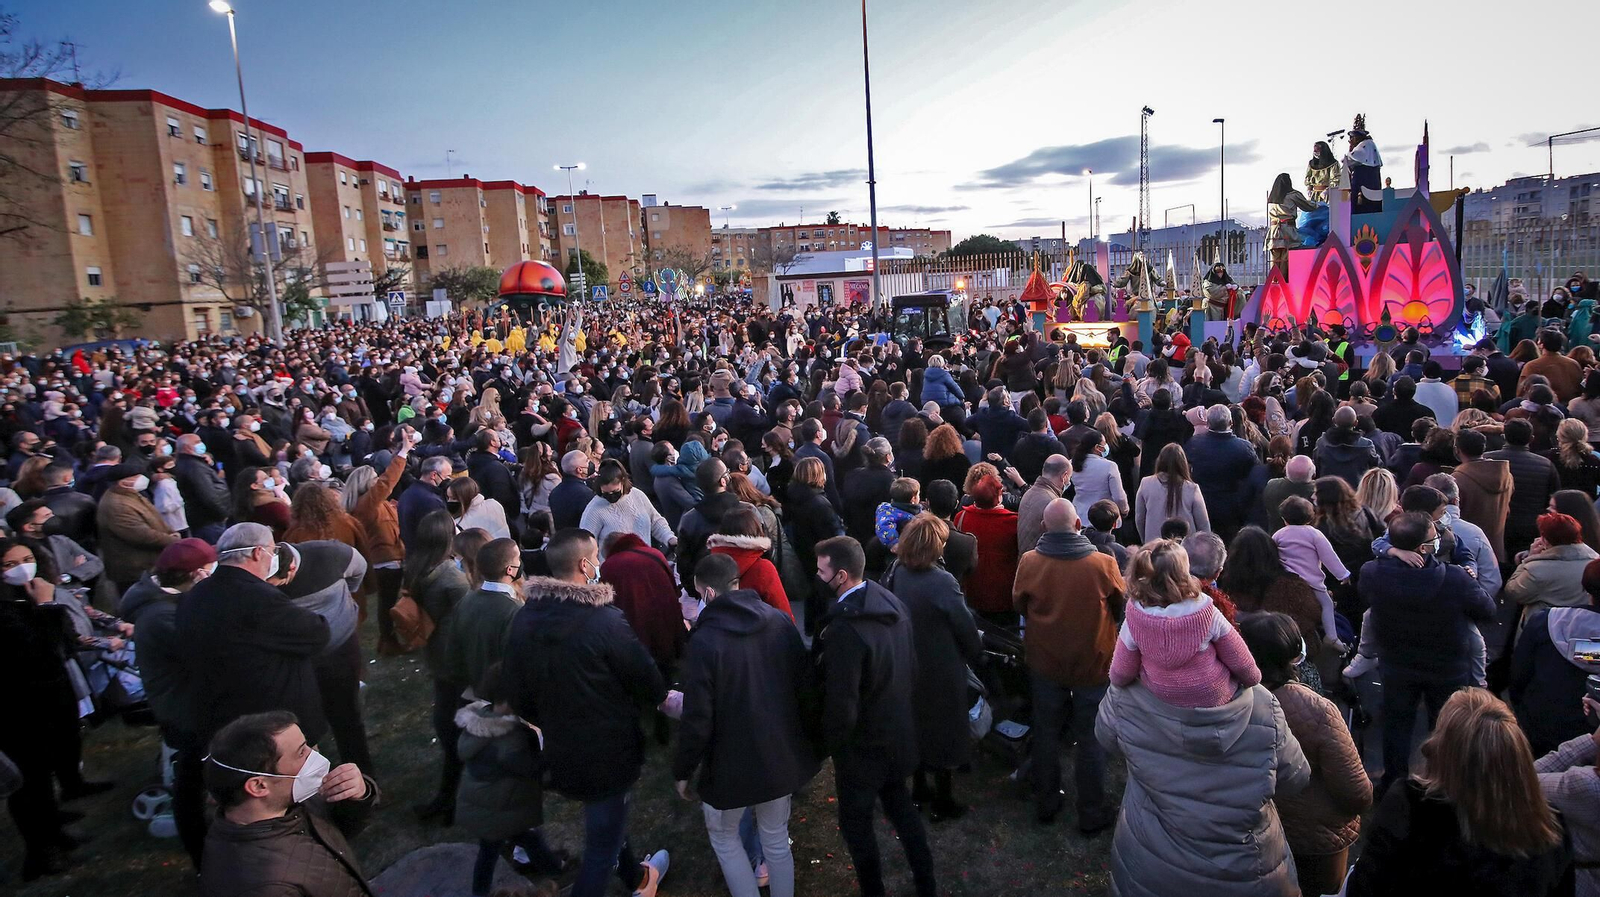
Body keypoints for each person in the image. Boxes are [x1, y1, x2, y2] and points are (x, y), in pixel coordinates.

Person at [503, 529, 671, 897]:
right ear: (584, 564)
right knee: (600, 847)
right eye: (595, 557)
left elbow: (516, 691)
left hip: (561, 746)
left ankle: (637, 878)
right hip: (606, 748)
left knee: (608, 823)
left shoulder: (524, 618)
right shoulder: (604, 621)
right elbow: (648, 681)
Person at [1095, 609, 1310, 896]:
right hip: (1244, 868)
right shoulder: (1262, 704)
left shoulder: (1127, 696)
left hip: (1152, 862)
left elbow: (1105, 737)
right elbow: (1295, 777)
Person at [673, 553, 817, 897]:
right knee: (776, 838)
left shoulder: (704, 642)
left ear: (708, 594)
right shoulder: (779, 623)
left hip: (731, 764)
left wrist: (683, 770)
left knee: (724, 836)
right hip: (778, 755)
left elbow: (697, 718)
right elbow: (804, 689)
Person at [1347, 689, 1570, 896]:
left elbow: (1364, 888)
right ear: (1516, 754)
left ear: (1440, 747)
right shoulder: (1550, 829)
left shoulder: (1410, 805)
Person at [813, 535, 938, 897]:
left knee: (856, 826)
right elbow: (911, 666)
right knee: (902, 809)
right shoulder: (891, 602)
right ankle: (925, 883)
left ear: (840, 576)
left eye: (821, 570)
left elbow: (842, 704)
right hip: (897, 732)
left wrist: (828, 745)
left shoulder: (844, 631)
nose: (816, 576)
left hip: (863, 748)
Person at [1360, 512, 1496, 790]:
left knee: (1396, 725)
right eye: (1434, 538)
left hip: (1397, 663)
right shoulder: (1455, 579)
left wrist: (1390, 552)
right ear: (1423, 548)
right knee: (1445, 727)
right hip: (1447, 666)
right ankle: (1443, 781)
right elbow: (1487, 610)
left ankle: (1393, 783)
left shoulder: (1372, 573)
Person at [1239, 612, 1372, 896]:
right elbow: (1356, 792)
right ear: (1292, 653)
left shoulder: (1224, 701)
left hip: (1248, 833)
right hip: (1315, 842)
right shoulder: (1318, 709)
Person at [1012, 499, 1123, 829]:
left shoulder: (1029, 562)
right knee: (1091, 737)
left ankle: (1047, 802)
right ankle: (1091, 811)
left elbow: (1019, 603)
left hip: (1045, 659)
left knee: (1046, 731)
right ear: (1078, 526)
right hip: (1093, 661)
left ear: (1044, 528)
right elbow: (1120, 605)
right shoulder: (1103, 564)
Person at [177, 523, 331, 753]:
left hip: (223, 716)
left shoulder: (194, 595)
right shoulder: (258, 598)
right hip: (276, 721)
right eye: (273, 551)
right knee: (297, 785)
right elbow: (317, 632)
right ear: (259, 552)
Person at [199, 710, 380, 897]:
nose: (314, 754)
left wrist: (359, 795)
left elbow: (337, 831)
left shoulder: (289, 801)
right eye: (301, 752)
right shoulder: (264, 887)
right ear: (259, 786)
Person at [117, 538, 216, 865]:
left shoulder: (165, 603)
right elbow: (204, 650)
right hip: (185, 709)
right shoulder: (161, 615)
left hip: (184, 702)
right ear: (199, 573)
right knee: (192, 777)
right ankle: (200, 849)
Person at [885, 514, 981, 821]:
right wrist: (976, 654)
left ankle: (919, 787)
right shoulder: (941, 581)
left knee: (914, 723)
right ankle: (943, 799)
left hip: (905, 662)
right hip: (939, 665)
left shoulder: (897, 570)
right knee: (943, 731)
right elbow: (964, 625)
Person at [454, 663, 568, 897]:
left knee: (524, 837)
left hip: (489, 803)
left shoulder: (482, 719)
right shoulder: (510, 740)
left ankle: (554, 867)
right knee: (491, 851)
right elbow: (532, 769)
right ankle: (481, 892)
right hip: (496, 809)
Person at [407, 508, 473, 826]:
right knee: (456, 727)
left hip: (438, 656)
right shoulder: (450, 576)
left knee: (448, 718)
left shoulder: (418, 566)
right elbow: (469, 613)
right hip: (455, 657)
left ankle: (448, 796)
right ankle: (451, 798)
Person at [96, 461, 180, 595]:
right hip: (134, 569)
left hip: (146, 564)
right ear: (123, 482)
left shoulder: (131, 495)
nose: (143, 478)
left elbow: (155, 518)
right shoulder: (117, 505)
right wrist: (172, 540)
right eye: (137, 476)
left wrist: (172, 533)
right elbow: (140, 534)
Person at [952, 466, 1020, 626]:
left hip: (973, 591)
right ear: (999, 495)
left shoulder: (961, 517)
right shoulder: (1013, 522)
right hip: (1005, 595)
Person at [1187, 405, 1263, 540]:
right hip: (1233, 508)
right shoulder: (1244, 447)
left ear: (1208, 423)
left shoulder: (1194, 443)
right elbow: (1255, 475)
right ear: (1230, 423)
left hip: (1203, 503)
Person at [1488, 418, 1562, 557]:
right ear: (1531, 438)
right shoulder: (1545, 465)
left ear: (1504, 436)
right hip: (1531, 526)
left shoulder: (1488, 461)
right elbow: (1553, 498)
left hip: (1496, 523)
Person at [706, 507, 793, 620]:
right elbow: (782, 609)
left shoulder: (711, 561)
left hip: (722, 628)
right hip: (758, 630)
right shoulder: (763, 568)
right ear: (756, 529)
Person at [579, 461, 674, 561]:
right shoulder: (594, 509)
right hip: (616, 569)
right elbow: (586, 545)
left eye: (615, 491)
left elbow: (656, 521)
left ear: (623, 481)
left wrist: (669, 538)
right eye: (606, 493)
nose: (611, 496)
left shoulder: (637, 495)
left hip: (645, 561)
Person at [1507, 511, 1600, 613]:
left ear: (1545, 540)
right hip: (1581, 623)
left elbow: (1513, 591)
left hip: (1545, 625)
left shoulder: (1536, 570)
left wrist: (1528, 560)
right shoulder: (1595, 563)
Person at [1453, 427, 1515, 563]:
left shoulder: (1457, 479)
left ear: (1457, 450)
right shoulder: (1506, 475)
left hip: (1468, 551)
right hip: (1497, 549)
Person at [1133, 442, 1209, 543]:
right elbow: (1203, 524)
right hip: (1185, 548)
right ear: (1183, 463)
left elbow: (1139, 518)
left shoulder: (1145, 483)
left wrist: (1145, 539)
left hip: (1154, 544)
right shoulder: (1192, 488)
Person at [1520, 328, 1584, 402]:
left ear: (1541, 344)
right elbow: (1580, 388)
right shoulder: (1573, 364)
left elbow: (1522, 392)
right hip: (1571, 406)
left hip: (1542, 407)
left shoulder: (1532, 366)